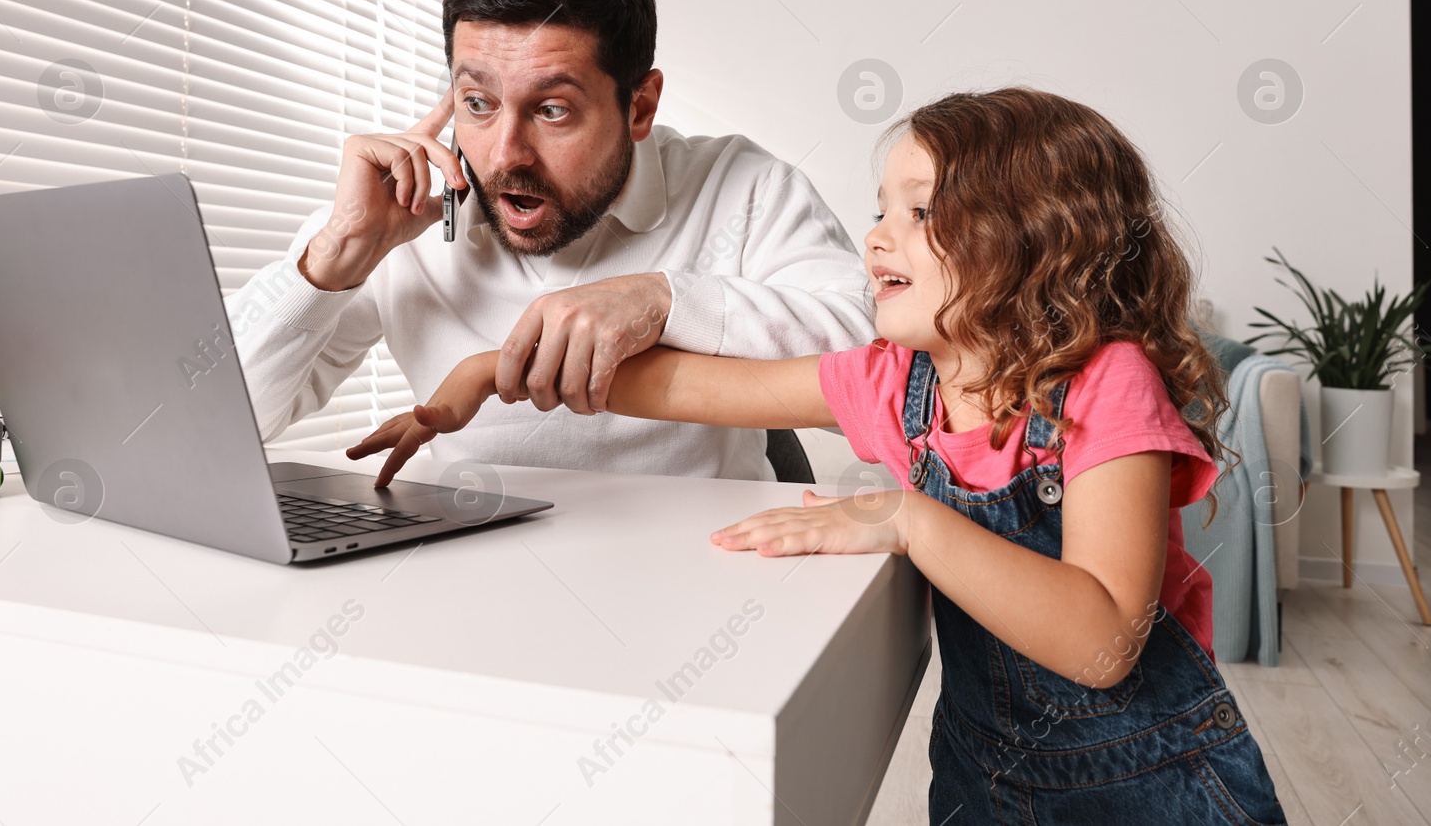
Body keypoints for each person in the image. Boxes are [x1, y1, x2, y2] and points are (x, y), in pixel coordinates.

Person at [358, 87, 1288, 823]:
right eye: (880, 208)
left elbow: (1103, 640)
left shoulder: (1106, 382)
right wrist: (486, 369)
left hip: (1149, 786)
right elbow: (688, 384)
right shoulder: (896, 381)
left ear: (1037, 239)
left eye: (919, 212)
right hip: (983, 779)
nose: (877, 236)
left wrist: (906, 518)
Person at [229, 0, 873, 479]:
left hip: (706, 572)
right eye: (477, 104)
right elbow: (222, 423)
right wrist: (333, 260)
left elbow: (892, 373)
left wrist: (663, 301)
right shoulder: (399, 213)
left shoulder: (743, 186)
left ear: (639, 105)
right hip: (476, 570)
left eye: (554, 109)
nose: (505, 153)